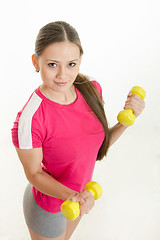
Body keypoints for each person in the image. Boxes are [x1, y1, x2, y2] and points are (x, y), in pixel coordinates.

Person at [11, 21, 145, 240]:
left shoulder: (91, 90)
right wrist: (74, 196)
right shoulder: (30, 118)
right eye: (53, 64)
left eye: (71, 64)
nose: (63, 75)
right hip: (50, 205)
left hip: (77, 200)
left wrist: (127, 121)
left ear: (80, 61)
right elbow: (34, 174)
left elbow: (94, 148)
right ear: (36, 62)